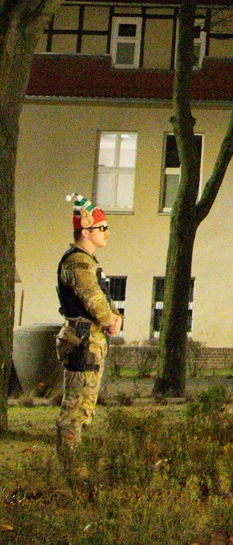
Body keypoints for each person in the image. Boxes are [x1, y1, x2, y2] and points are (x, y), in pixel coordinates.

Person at [55, 193, 122, 462]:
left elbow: (102, 297)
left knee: (84, 406)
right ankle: (68, 468)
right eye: (102, 228)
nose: (107, 233)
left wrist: (114, 316)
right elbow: (93, 300)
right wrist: (110, 320)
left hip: (90, 341)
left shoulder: (87, 262)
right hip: (83, 342)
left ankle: (73, 463)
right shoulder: (78, 263)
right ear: (85, 231)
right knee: (76, 408)